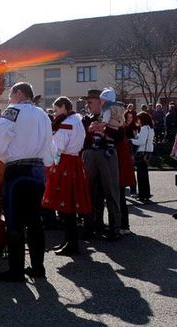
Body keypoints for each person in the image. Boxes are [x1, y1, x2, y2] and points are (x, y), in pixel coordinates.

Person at [0, 81, 54, 282]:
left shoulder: (14, 111)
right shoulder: (43, 115)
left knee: (15, 222)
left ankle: (16, 270)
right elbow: (49, 147)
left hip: (18, 172)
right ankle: (38, 267)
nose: (9, 99)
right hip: (37, 170)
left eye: (11, 94)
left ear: (19, 93)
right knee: (35, 221)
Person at [42, 96, 91, 255]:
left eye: (56, 110)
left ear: (64, 107)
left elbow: (59, 147)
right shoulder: (77, 120)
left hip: (65, 163)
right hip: (74, 161)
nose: (55, 114)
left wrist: (51, 156)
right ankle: (69, 240)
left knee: (66, 204)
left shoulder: (66, 123)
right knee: (70, 203)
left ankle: (71, 243)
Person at [80, 88, 124, 241]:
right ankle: (90, 226)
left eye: (90, 101)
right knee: (89, 192)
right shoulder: (86, 119)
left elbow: (120, 137)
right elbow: (81, 140)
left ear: (101, 102)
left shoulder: (113, 115)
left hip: (107, 155)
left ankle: (115, 228)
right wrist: (89, 130)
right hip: (89, 155)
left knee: (111, 191)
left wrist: (105, 128)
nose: (87, 104)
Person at [130, 111, 155, 201]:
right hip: (148, 152)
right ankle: (146, 193)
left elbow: (141, 142)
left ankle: (142, 194)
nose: (138, 121)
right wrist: (137, 136)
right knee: (144, 174)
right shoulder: (150, 128)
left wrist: (131, 140)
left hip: (142, 152)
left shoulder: (144, 128)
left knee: (141, 175)